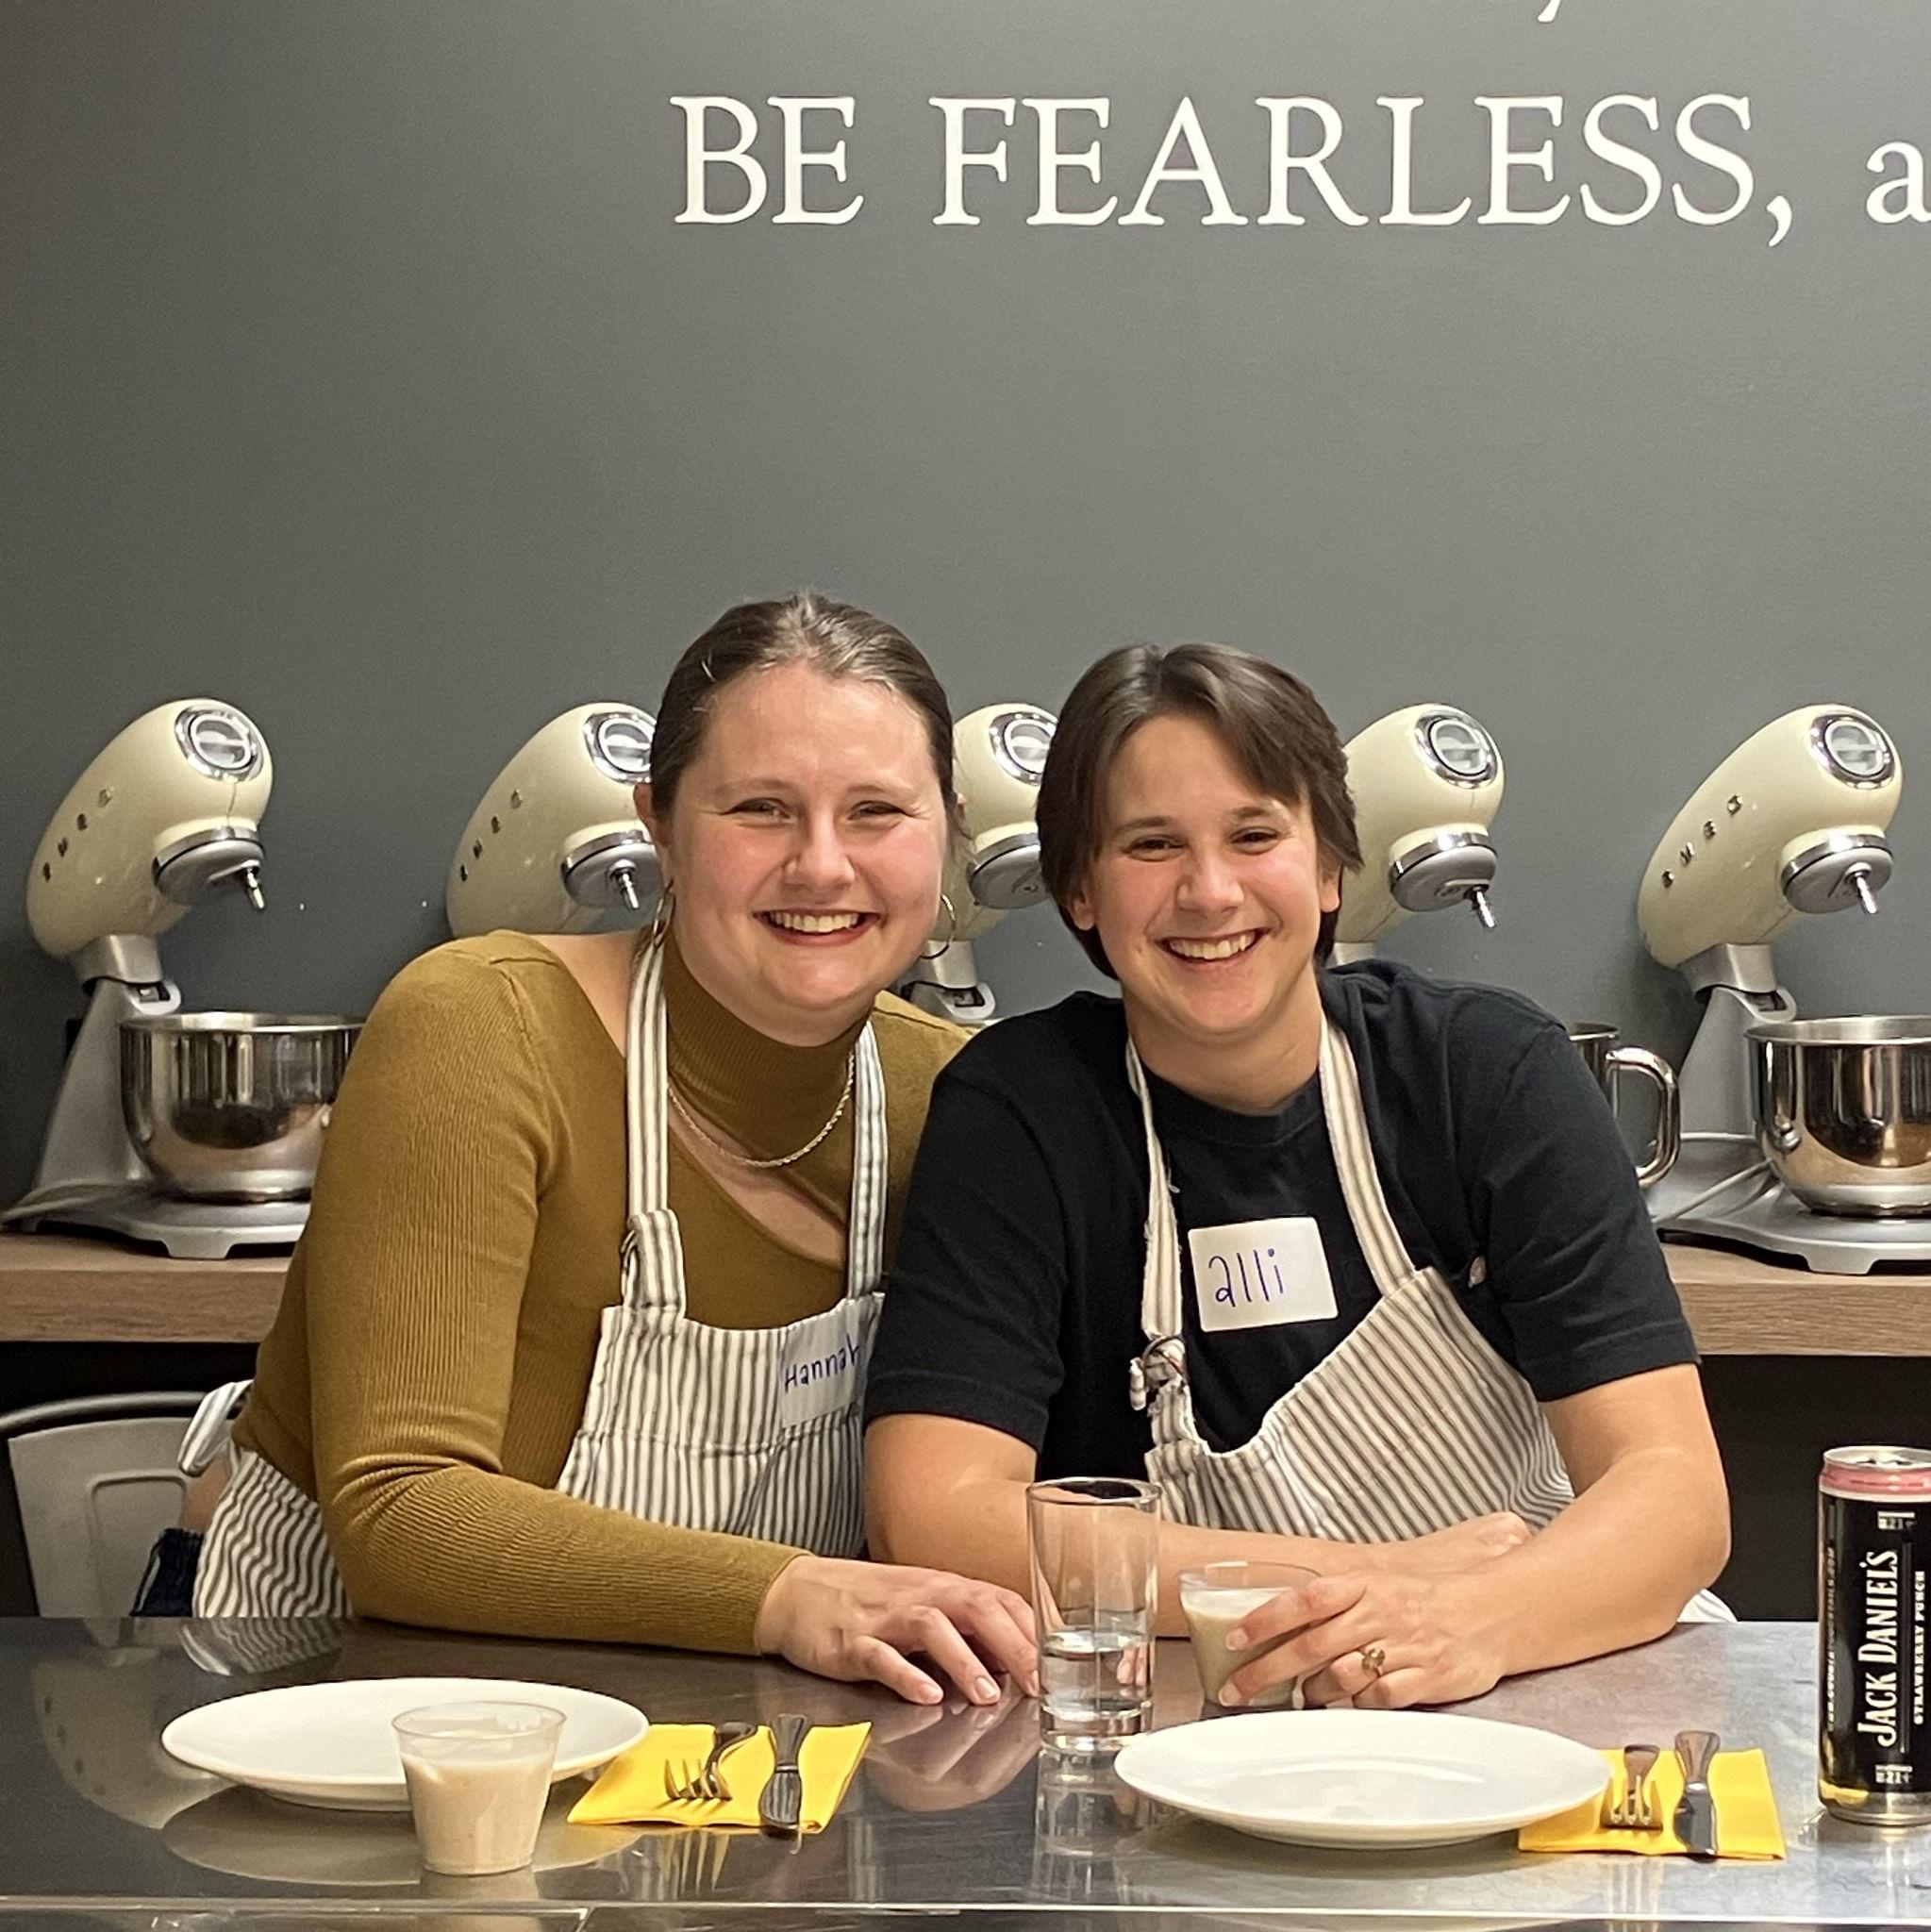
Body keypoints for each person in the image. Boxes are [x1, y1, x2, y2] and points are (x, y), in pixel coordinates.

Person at [157, 593, 1035, 1707]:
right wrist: (785, 1594)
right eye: (760, 808)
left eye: (876, 812)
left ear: (946, 829)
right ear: (659, 825)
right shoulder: (480, 1026)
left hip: (709, 1728)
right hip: (338, 1694)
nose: (821, 865)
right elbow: (400, 1510)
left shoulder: (949, 1094)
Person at [864, 641, 1730, 1711]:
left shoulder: (1483, 1074)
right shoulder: (1022, 1114)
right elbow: (933, 1514)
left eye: (1254, 834)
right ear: (1080, 889)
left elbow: (1673, 1496)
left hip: (1529, 1682)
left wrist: (1478, 1617)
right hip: (1208, 1724)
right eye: (1151, 844)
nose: (1209, 890)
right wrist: (1369, 1584)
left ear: (1328, 869)